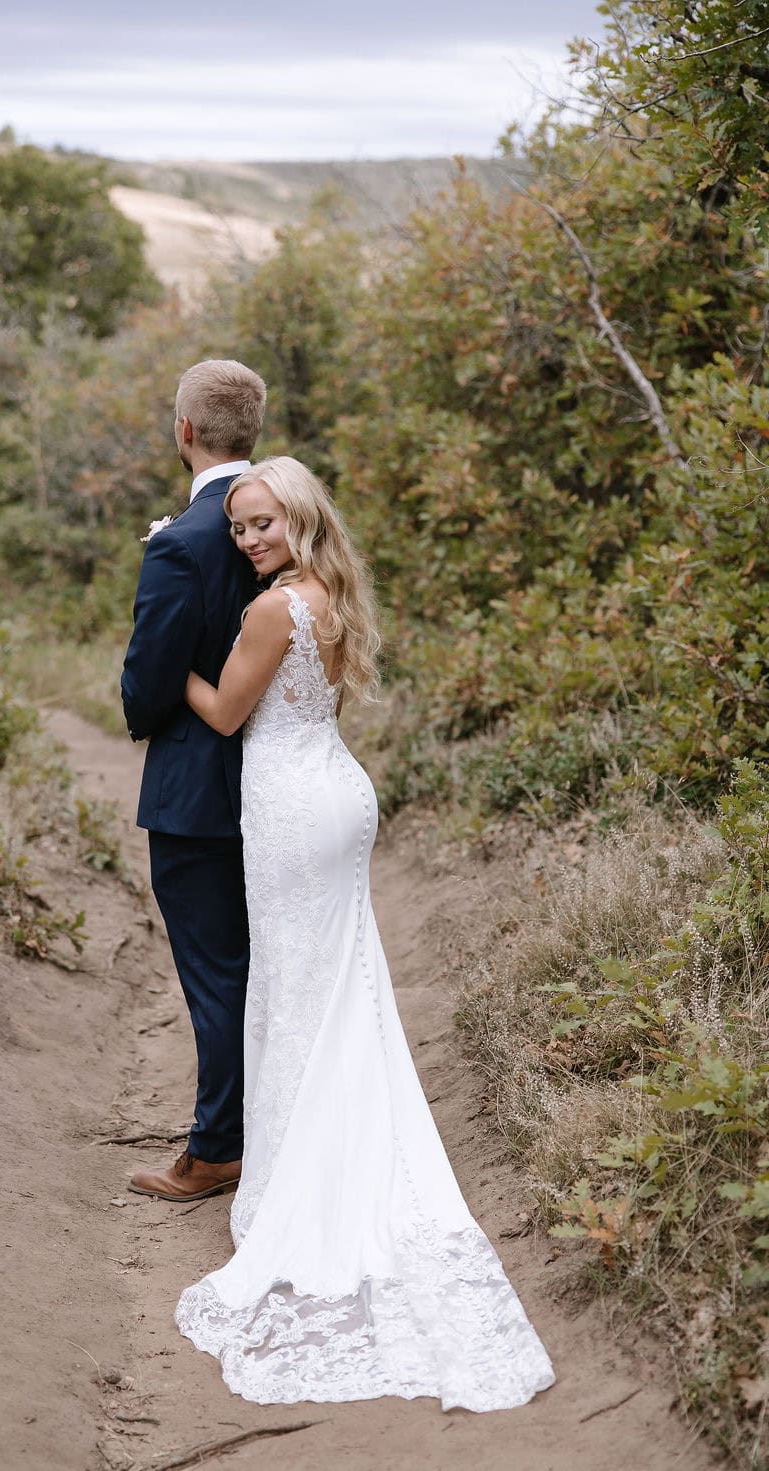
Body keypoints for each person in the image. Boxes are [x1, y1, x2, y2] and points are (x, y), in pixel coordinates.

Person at [173, 456, 556, 1409]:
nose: (249, 539)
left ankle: (302, 1176)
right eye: (237, 529)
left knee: (301, 985)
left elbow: (224, 713)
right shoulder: (328, 594)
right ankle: (322, 1140)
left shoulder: (274, 611)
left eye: (262, 522)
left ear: (298, 518)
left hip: (298, 808)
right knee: (336, 982)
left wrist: (167, 656)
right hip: (333, 795)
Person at [121, 358, 267, 1201]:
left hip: (197, 792)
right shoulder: (287, 517)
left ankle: (217, 1150)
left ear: (184, 431)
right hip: (278, 779)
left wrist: (142, 705)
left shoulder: (181, 541)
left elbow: (148, 684)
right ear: (253, 433)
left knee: (217, 971)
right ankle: (261, 1128)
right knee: (263, 963)